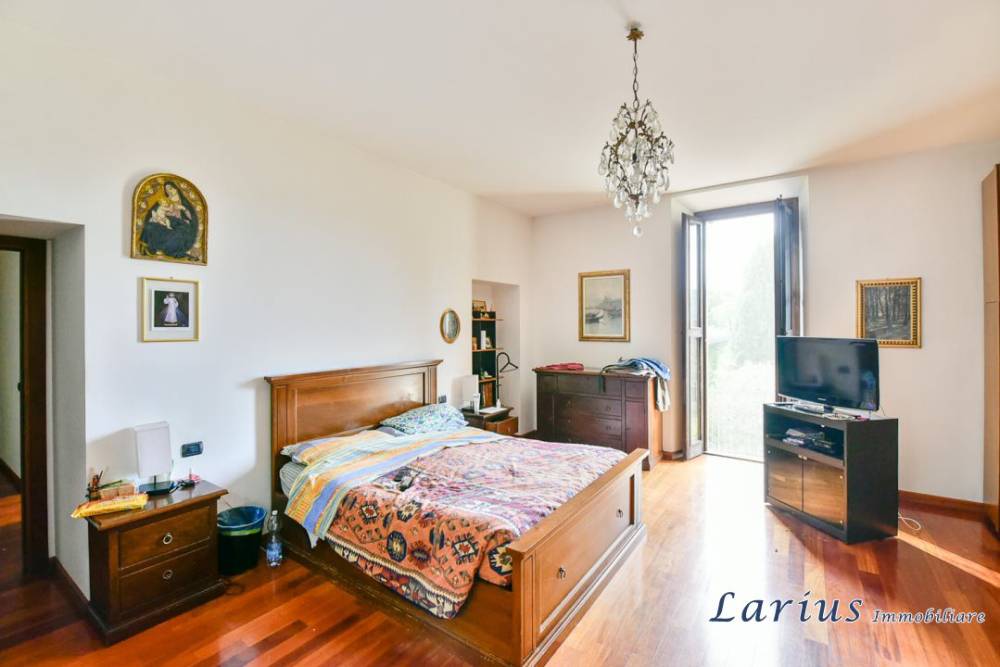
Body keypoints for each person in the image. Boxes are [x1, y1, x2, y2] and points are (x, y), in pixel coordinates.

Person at [139, 181, 199, 259]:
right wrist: (158, 217)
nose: (169, 191)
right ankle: (152, 249)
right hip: (164, 222)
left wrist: (183, 208)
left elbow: (191, 218)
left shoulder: (184, 202)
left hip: (179, 224)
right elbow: (153, 212)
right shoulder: (163, 201)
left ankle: (168, 249)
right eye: (166, 190)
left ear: (176, 189)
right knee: (149, 226)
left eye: (170, 188)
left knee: (179, 233)